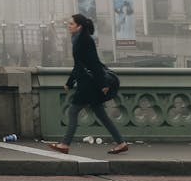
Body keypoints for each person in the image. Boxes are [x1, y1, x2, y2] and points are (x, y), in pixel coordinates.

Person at [46, 13, 129, 155]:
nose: (68, 26)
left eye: (71, 24)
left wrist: (104, 83)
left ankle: (65, 144)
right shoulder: (77, 39)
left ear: (79, 26)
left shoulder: (85, 40)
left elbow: (94, 63)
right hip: (88, 83)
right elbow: (79, 64)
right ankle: (121, 143)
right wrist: (70, 82)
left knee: (73, 111)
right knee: (101, 115)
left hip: (88, 85)